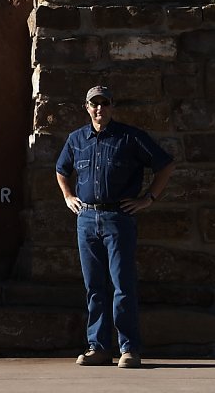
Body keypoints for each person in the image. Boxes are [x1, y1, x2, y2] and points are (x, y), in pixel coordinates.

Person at [55, 85, 175, 369]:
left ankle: (129, 348)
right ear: (86, 107)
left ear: (112, 106)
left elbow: (165, 166)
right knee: (94, 287)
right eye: (94, 104)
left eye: (105, 103)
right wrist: (68, 196)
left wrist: (148, 199)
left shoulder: (130, 137)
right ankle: (98, 348)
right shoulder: (76, 140)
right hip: (86, 219)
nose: (100, 109)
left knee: (122, 286)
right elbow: (61, 170)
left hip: (118, 219)